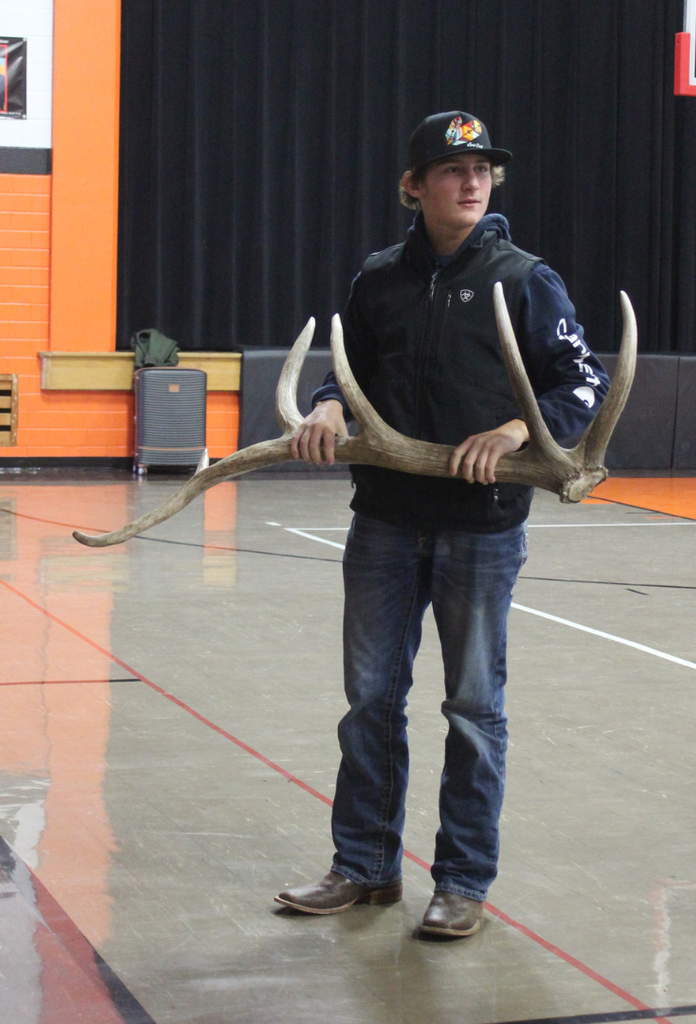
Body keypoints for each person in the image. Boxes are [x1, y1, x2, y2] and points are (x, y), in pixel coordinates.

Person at [275, 111, 609, 937]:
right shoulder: (378, 278)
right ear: (412, 186)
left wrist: (519, 430)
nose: (472, 181)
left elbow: (582, 382)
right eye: (453, 169)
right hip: (384, 520)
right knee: (370, 704)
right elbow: (345, 375)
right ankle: (364, 865)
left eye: (483, 169)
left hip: (481, 528)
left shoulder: (528, 280)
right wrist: (322, 407)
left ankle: (460, 881)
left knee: (473, 708)